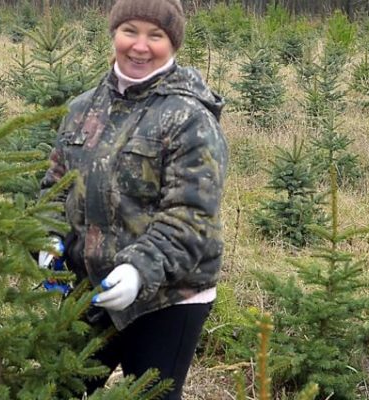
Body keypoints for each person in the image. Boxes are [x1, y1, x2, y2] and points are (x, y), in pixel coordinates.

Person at [39, 0, 228, 398]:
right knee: (59, 388)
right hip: (90, 288)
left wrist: (140, 269)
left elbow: (191, 216)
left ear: (172, 43)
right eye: (130, 31)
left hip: (169, 298)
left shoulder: (189, 117)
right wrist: (49, 236)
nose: (140, 46)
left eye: (155, 35)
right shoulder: (81, 108)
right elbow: (53, 187)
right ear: (113, 34)